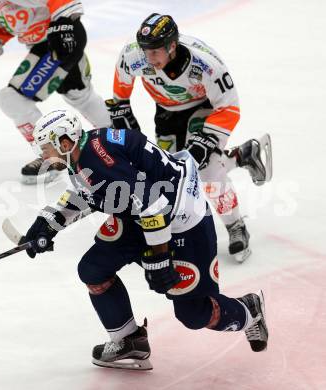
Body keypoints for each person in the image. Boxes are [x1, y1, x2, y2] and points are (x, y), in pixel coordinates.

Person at [23, 109, 268, 370]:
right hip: (143, 215)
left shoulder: (98, 160)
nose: (42, 155)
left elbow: (152, 205)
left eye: (46, 148)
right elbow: (92, 189)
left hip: (183, 221)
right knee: (93, 268)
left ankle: (249, 311)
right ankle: (130, 340)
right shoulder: (84, 150)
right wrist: (48, 222)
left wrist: (160, 257)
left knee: (194, 314)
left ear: (64, 142)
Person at [106, 13, 272, 262]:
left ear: (172, 46)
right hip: (167, 112)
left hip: (206, 110)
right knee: (167, 171)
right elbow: (120, 97)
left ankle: (235, 225)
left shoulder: (205, 65)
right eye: (145, 50)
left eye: (155, 51)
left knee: (206, 171)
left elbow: (229, 107)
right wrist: (127, 127)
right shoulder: (132, 56)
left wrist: (207, 139)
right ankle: (241, 157)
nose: (149, 58)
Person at [0, 0, 110, 184]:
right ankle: (121, 139)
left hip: (59, 39)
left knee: (13, 100)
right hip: (50, 43)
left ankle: (56, 155)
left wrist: (64, 25)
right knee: (80, 95)